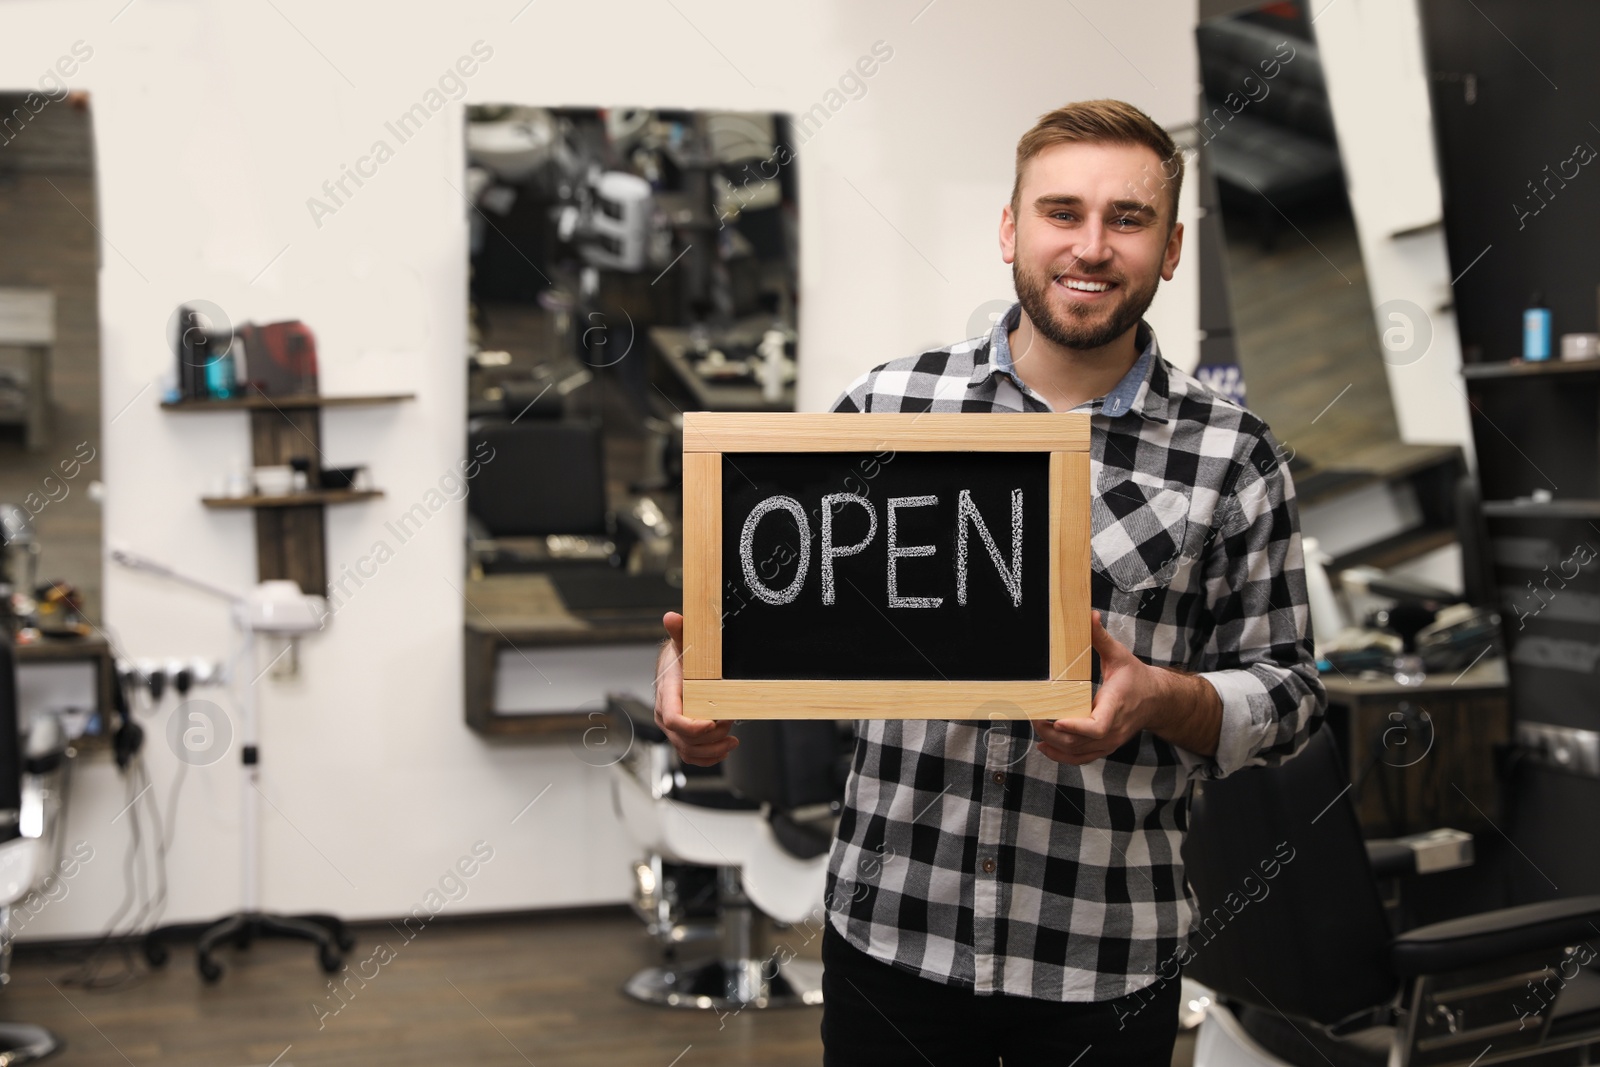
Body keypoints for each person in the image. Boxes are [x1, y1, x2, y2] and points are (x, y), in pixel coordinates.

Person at [653, 99, 1326, 1066]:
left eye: (1127, 220)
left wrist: (1159, 700)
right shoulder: (888, 408)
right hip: (892, 935)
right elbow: (748, 610)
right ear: (1011, 229)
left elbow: (1295, 692)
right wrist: (688, 672)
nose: (1090, 246)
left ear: (1171, 248)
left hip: (1104, 957)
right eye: (1062, 211)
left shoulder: (1235, 456)